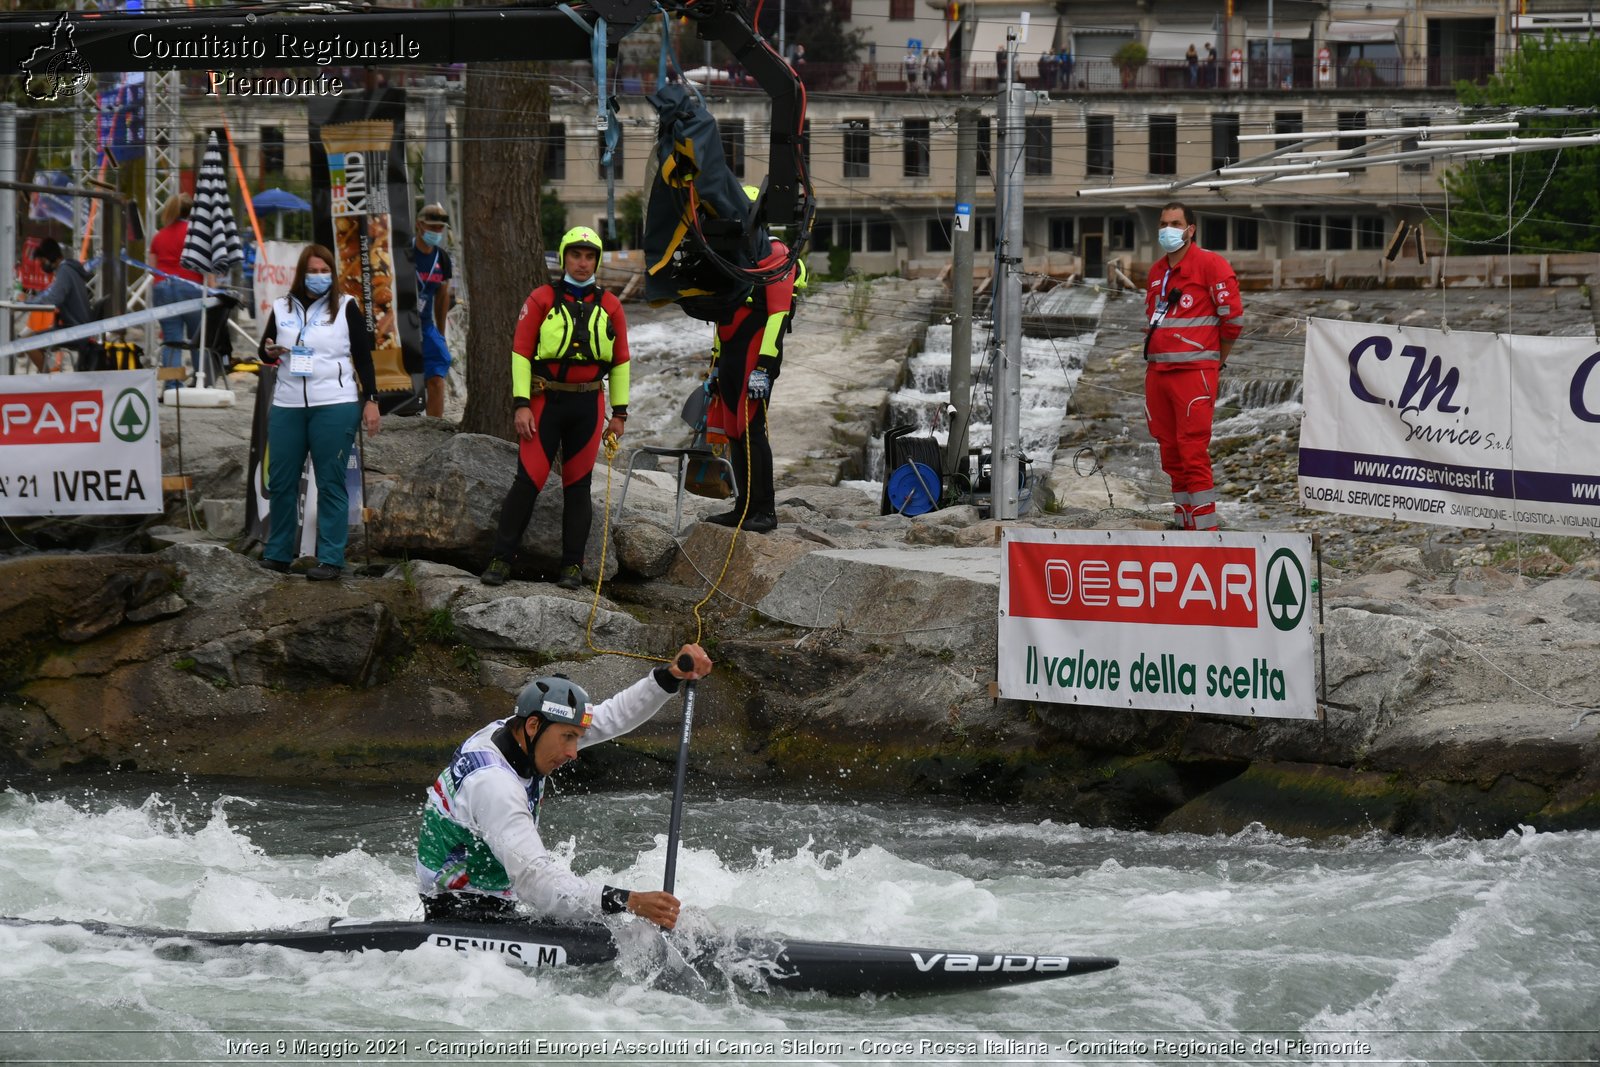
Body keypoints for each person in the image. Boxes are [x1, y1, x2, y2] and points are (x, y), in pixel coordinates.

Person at [416, 644, 713, 926]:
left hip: (497, 902)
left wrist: (668, 677)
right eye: (568, 737)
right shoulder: (494, 786)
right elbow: (537, 883)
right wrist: (629, 901)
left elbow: (612, 717)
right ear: (533, 726)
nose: (573, 753)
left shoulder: (520, 731)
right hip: (460, 914)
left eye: (577, 738)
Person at [481, 226, 631, 589]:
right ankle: (501, 559)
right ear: (564, 257)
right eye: (576, 255)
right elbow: (520, 354)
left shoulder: (610, 305)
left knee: (578, 486)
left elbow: (622, 360)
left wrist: (620, 413)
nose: (582, 263)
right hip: (544, 402)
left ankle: (572, 566)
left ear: (595, 260)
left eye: (589, 256)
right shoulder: (541, 298)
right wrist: (521, 405)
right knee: (527, 481)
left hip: (589, 405)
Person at [257, 244, 382, 580]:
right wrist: (271, 350)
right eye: (312, 271)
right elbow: (265, 352)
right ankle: (279, 553)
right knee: (281, 481)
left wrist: (371, 399)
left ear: (333, 273)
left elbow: (364, 358)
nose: (318, 277)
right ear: (302, 273)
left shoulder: (346, 307)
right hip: (287, 404)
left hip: (335, 403)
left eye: (324, 270)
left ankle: (330, 558)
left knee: (330, 482)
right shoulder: (282, 307)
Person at [1143, 202, 1242, 532]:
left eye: (1175, 223)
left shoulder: (1210, 265)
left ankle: (1205, 532)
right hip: (1158, 373)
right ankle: (1183, 522)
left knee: (1192, 452)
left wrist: (1216, 361)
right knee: (1170, 453)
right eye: (1163, 223)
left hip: (1194, 373)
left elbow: (1233, 321)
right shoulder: (1157, 272)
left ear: (1190, 230)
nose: (1167, 229)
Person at [704, 187, 797, 535]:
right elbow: (721, 316)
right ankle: (742, 507)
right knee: (732, 430)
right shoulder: (732, 256)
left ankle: (764, 509)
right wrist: (714, 364)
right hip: (730, 354)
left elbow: (778, 315)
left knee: (751, 429)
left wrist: (764, 367)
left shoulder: (776, 254)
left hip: (755, 354)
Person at [149, 194, 205, 390]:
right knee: (198, 338)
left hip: (162, 288)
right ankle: (200, 381)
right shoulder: (196, 235)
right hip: (192, 288)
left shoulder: (159, 236)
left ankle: (172, 385)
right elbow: (205, 266)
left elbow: (151, 268)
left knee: (171, 340)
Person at [23, 237, 97, 372]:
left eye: (43, 261)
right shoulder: (69, 269)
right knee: (29, 339)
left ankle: (49, 383)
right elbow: (50, 294)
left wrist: (26, 301)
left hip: (75, 330)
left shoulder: (65, 272)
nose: (42, 265)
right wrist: (30, 299)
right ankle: (48, 378)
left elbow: (53, 299)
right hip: (79, 327)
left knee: (27, 342)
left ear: (51, 257)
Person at [413, 203, 455, 417]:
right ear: (419, 225)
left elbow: (442, 296)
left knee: (437, 378)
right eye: (432, 227)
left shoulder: (442, 258)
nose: (436, 232)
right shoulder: (405, 253)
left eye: (440, 228)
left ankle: (434, 428)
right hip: (402, 325)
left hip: (427, 325)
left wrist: (440, 331)